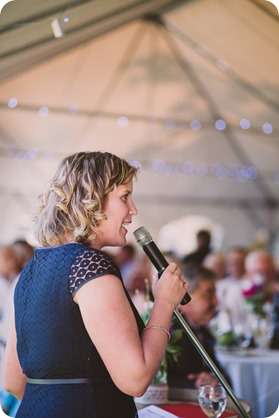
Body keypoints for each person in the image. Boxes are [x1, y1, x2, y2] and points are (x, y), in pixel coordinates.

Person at [3, 151, 188, 418]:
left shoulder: (30, 271)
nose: (133, 209)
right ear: (92, 199)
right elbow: (135, 380)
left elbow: (13, 381)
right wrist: (165, 303)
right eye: (125, 196)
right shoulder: (89, 265)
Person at [167, 264, 231, 390]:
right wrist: (193, 384)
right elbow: (156, 382)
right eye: (208, 294)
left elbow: (224, 376)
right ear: (183, 297)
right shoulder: (169, 331)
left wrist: (213, 378)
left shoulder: (202, 331)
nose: (216, 301)